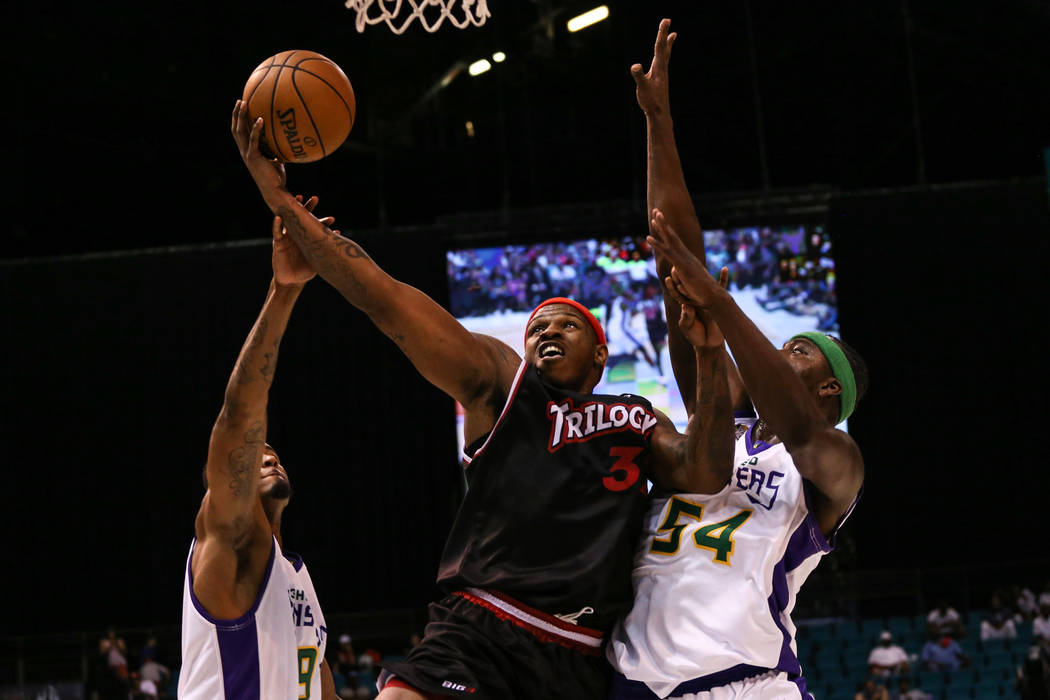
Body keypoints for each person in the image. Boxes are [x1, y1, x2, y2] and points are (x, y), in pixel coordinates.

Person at [232, 99, 725, 700]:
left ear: (601, 354)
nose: (546, 331)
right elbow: (386, 302)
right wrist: (281, 203)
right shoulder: (505, 386)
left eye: (566, 324)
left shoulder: (638, 417)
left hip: (579, 659)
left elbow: (705, 472)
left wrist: (708, 352)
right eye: (537, 326)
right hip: (480, 629)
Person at [607, 19, 867, 700]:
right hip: (638, 687)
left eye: (800, 351)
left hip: (749, 685)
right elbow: (675, 256)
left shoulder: (832, 464)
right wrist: (658, 123)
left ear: (830, 393)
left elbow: (802, 429)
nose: (782, 352)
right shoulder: (715, 426)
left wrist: (721, 305)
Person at [177, 197, 338, 699]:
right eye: (256, 455)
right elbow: (238, 419)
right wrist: (283, 292)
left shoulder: (298, 579)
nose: (268, 454)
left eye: (274, 452)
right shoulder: (225, 542)